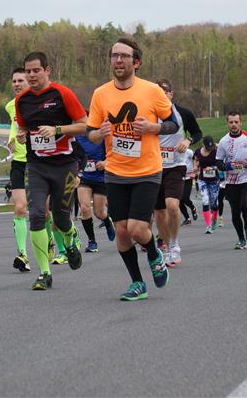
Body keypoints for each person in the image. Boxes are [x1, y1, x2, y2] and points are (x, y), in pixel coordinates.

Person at [86, 37, 173, 301]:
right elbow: (90, 133)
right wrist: (99, 134)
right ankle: (137, 283)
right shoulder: (101, 94)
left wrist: (153, 128)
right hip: (115, 172)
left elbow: (174, 124)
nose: (118, 60)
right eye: (114, 55)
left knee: (136, 229)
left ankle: (154, 254)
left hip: (147, 171)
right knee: (122, 232)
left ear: (137, 62)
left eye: (124, 56)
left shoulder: (152, 91)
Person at [15, 51, 87, 290]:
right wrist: (22, 135)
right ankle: (45, 273)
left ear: (47, 70)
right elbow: (23, 128)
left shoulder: (62, 94)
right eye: (28, 71)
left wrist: (57, 130)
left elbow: (85, 125)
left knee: (61, 218)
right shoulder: (22, 100)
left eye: (36, 70)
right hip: (37, 166)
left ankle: (71, 240)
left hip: (65, 166)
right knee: (37, 215)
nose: (32, 75)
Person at [152, 78, 202, 267]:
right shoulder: (148, 114)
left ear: (171, 94)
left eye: (164, 91)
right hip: (154, 167)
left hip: (176, 166)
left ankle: (174, 244)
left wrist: (188, 141)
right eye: (157, 91)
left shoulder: (183, 113)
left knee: (172, 205)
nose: (161, 94)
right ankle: (165, 246)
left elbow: (197, 133)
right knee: (159, 212)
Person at [215, 111, 247, 249]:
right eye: (231, 122)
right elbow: (218, 162)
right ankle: (241, 239)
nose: (234, 125)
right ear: (227, 124)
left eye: (236, 122)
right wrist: (227, 166)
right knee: (235, 212)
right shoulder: (223, 141)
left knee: (244, 206)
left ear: (240, 122)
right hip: (231, 181)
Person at [5, 67, 31, 272]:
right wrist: (11, 139)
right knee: (20, 207)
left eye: (21, 80)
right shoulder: (10, 106)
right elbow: (14, 126)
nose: (16, 84)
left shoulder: (40, 103)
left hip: (39, 162)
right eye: (14, 81)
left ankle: (61, 241)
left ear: (29, 81)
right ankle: (23, 254)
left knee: (46, 212)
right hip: (19, 162)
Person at [75, 132, 116, 253]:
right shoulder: (77, 137)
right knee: (84, 208)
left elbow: (114, 153)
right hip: (84, 177)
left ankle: (107, 220)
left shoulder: (102, 136)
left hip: (100, 178)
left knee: (99, 212)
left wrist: (105, 162)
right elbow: (71, 154)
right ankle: (92, 241)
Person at [194, 135, 221, 234]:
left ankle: (214, 220)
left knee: (213, 202)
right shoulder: (198, 151)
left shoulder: (216, 151)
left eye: (211, 147)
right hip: (203, 180)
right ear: (203, 145)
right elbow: (195, 159)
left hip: (214, 180)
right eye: (208, 147)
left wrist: (213, 168)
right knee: (205, 200)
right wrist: (195, 167)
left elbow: (220, 164)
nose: (210, 149)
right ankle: (208, 225)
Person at [179, 148, 198, 226]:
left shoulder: (189, 152)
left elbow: (196, 159)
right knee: (179, 200)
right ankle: (187, 219)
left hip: (188, 177)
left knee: (185, 198)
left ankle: (193, 208)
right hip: (178, 178)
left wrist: (195, 169)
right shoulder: (174, 152)